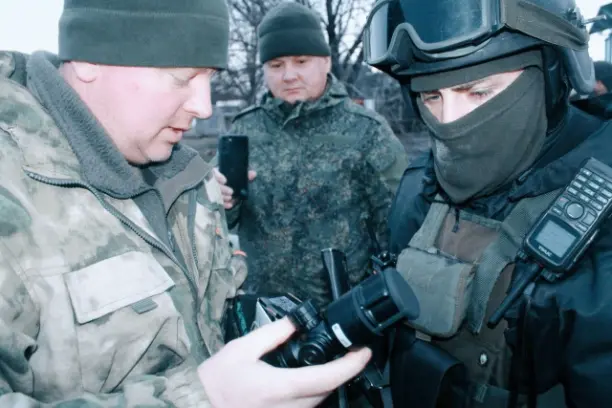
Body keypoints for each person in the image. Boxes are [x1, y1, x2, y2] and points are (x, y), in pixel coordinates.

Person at [0, 0, 371, 406]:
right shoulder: (12, 193)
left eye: (209, 77)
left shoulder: (188, 179)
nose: (204, 106)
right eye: (183, 78)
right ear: (90, 60)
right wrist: (203, 400)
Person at [363, 0, 612, 407]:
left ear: (553, 75)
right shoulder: (420, 185)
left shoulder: (602, 234)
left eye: (478, 91)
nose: (450, 120)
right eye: (430, 96)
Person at [215, 2, 409, 307]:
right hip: (265, 310)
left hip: (343, 310)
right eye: (276, 65)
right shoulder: (244, 130)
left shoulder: (366, 130)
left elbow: (400, 224)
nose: (289, 75)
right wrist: (224, 199)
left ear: (326, 62)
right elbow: (220, 222)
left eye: (301, 61)